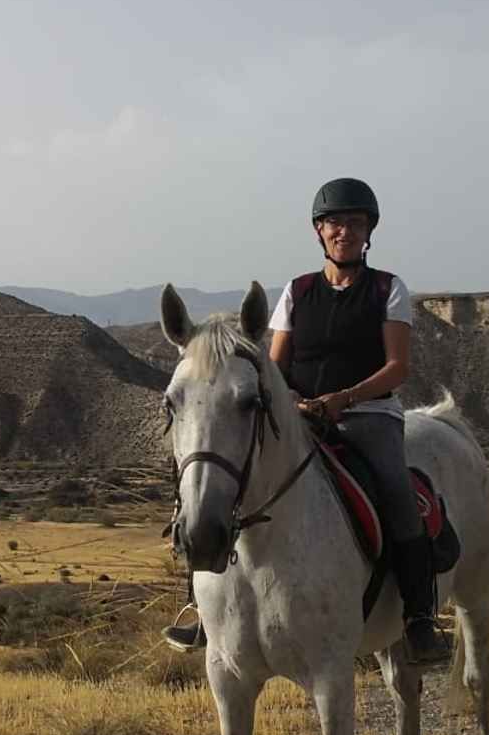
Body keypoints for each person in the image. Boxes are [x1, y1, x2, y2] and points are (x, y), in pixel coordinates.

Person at [164, 176, 450, 663]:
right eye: (335, 223)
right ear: (319, 231)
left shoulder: (388, 289)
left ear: (368, 231)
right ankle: (202, 606)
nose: (345, 232)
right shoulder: (297, 292)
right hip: (302, 417)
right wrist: (295, 400)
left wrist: (345, 397)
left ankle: (419, 617)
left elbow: (396, 367)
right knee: (224, 483)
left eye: (355, 223)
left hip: (369, 415)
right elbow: (274, 366)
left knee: (397, 492)